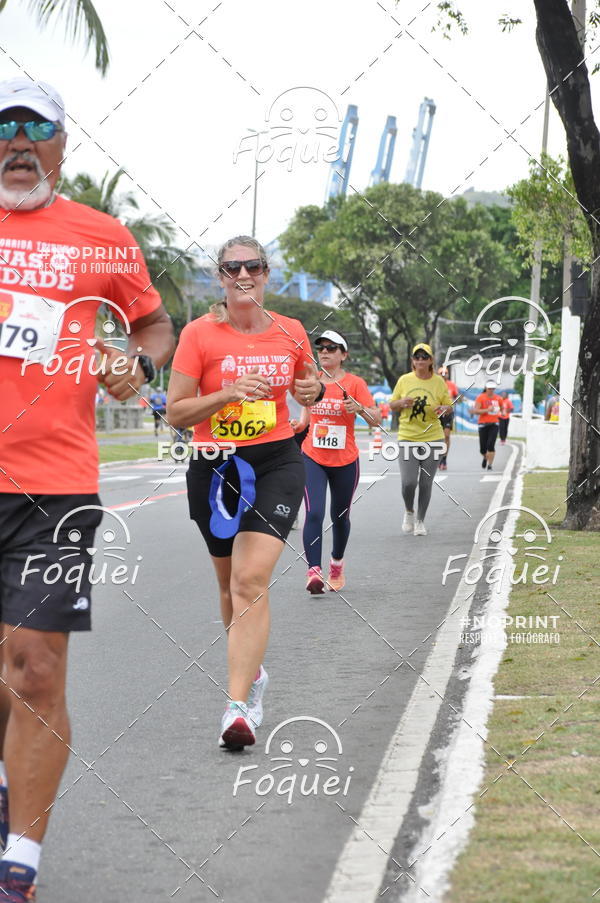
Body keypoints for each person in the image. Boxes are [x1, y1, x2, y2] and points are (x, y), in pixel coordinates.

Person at [0, 78, 174, 900]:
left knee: (35, 666)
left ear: (64, 142)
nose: (18, 141)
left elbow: (151, 322)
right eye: (4, 127)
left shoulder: (101, 237)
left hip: (54, 487)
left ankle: (19, 864)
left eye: (37, 126)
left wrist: (133, 364)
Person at [166, 236, 323, 751]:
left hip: (276, 460)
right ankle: (253, 675)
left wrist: (311, 392)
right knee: (228, 586)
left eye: (252, 266)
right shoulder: (199, 335)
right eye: (232, 268)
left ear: (266, 272)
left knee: (251, 579)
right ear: (220, 276)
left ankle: (238, 709)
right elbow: (177, 412)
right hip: (215, 465)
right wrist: (230, 392)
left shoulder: (291, 331)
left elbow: (312, 384)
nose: (243, 275)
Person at [294, 330, 380, 594]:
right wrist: (295, 426)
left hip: (345, 460)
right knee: (315, 512)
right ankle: (314, 572)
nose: (325, 353)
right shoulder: (312, 381)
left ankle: (337, 565)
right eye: (321, 348)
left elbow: (375, 419)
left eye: (332, 348)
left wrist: (360, 409)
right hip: (313, 456)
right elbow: (305, 418)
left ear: (344, 355)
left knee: (340, 517)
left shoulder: (355, 383)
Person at [389, 343, 452, 536]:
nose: (421, 360)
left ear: (431, 360)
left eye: (425, 357)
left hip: (433, 438)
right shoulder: (404, 380)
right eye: (417, 357)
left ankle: (420, 521)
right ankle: (409, 511)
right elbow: (392, 405)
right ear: (412, 361)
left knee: (426, 482)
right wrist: (401, 402)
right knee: (409, 482)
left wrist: (442, 409)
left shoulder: (439, 382)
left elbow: (448, 406)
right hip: (408, 437)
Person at [473, 381, 502, 470]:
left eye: (493, 389)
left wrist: (501, 412)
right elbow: (476, 411)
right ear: (486, 388)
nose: (491, 390)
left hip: (494, 424)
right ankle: (485, 457)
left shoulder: (498, 398)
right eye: (489, 389)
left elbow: (502, 409)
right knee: (483, 448)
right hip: (483, 424)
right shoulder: (480, 397)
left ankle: (490, 465)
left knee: (490, 445)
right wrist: (487, 410)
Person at [437, 366, 459, 470]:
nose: (443, 375)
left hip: (448, 414)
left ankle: (444, 459)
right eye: (441, 374)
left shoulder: (452, 385)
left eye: (445, 373)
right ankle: (437, 457)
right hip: (436, 414)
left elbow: (456, 398)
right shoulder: (434, 385)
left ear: (448, 374)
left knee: (446, 436)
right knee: (436, 438)